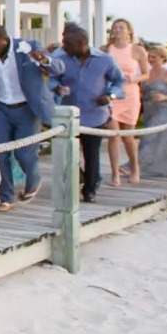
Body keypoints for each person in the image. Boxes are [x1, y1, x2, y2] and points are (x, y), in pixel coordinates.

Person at [0, 24, 54, 211]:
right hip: (1, 107)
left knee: (24, 154)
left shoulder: (27, 47)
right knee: (0, 153)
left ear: (5, 40)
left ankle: (33, 180)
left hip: (26, 108)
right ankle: (6, 197)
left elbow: (58, 68)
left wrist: (44, 60)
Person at [48, 25, 125, 203]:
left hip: (95, 114)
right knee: (68, 154)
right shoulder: (60, 58)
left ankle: (90, 190)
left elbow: (119, 80)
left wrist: (110, 95)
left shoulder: (105, 60)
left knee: (92, 154)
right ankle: (76, 180)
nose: (63, 46)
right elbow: (52, 80)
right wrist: (56, 88)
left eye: (67, 43)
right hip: (68, 115)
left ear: (81, 43)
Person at [105, 18, 149, 186]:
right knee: (113, 134)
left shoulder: (137, 50)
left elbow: (146, 74)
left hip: (130, 94)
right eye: (115, 28)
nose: (117, 30)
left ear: (129, 31)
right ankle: (115, 173)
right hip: (112, 95)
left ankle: (134, 168)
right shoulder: (107, 50)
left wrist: (135, 78)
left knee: (128, 136)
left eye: (121, 28)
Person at [137, 44, 167, 179]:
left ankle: (137, 165)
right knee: (151, 136)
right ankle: (152, 167)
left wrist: (164, 97)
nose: (151, 59)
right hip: (149, 109)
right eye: (149, 57)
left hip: (165, 109)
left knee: (152, 137)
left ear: (163, 58)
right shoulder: (146, 73)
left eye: (154, 57)